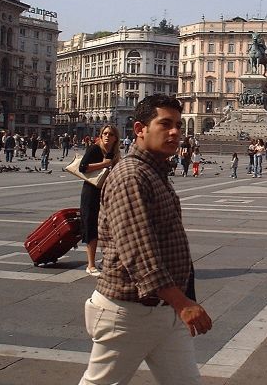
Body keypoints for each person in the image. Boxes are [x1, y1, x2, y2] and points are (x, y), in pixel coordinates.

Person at [79, 94, 212, 385]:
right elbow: (139, 253)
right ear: (140, 129)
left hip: (164, 309)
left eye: (178, 125)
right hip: (129, 312)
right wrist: (183, 303)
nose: (175, 132)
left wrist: (180, 300)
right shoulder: (131, 176)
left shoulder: (153, 171)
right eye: (165, 124)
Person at [79, 125, 121, 276]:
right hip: (91, 192)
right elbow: (82, 167)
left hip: (107, 193)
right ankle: (90, 265)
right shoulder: (94, 149)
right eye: (105, 133)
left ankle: (106, 260)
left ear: (116, 138)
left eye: (111, 134)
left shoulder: (114, 153)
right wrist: (104, 164)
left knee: (109, 227)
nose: (107, 136)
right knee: (91, 225)